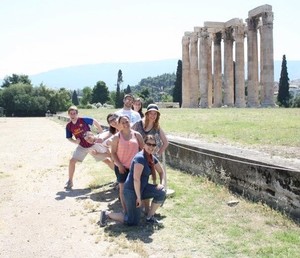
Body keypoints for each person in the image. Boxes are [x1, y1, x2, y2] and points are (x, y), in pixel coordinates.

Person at [99, 135, 166, 226]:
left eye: (153, 145)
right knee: (132, 221)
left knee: (161, 192)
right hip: (131, 191)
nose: (151, 147)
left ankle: (150, 217)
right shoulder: (140, 158)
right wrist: (138, 197)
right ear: (144, 145)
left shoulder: (151, 158)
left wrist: (162, 184)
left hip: (142, 188)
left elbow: (161, 172)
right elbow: (136, 179)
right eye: (148, 144)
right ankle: (107, 214)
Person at [65, 105, 107, 190]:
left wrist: (101, 132)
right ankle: (70, 181)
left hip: (92, 144)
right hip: (82, 146)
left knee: (107, 159)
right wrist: (74, 141)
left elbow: (94, 121)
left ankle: (120, 178)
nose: (73, 115)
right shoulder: (69, 126)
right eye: (71, 114)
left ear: (77, 114)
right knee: (72, 161)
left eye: (74, 113)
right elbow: (69, 137)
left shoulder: (83, 120)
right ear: (69, 114)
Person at [110, 115, 144, 213]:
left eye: (127, 122)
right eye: (123, 123)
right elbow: (113, 153)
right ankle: (126, 210)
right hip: (122, 167)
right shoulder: (116, 137)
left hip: (135, 166)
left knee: (137, 187)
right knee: (123, 188)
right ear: (119, 124)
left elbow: (142, 150)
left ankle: (139, 208)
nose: (125, 124)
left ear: (130, 122)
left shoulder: (137, 135)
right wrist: (119, 165)